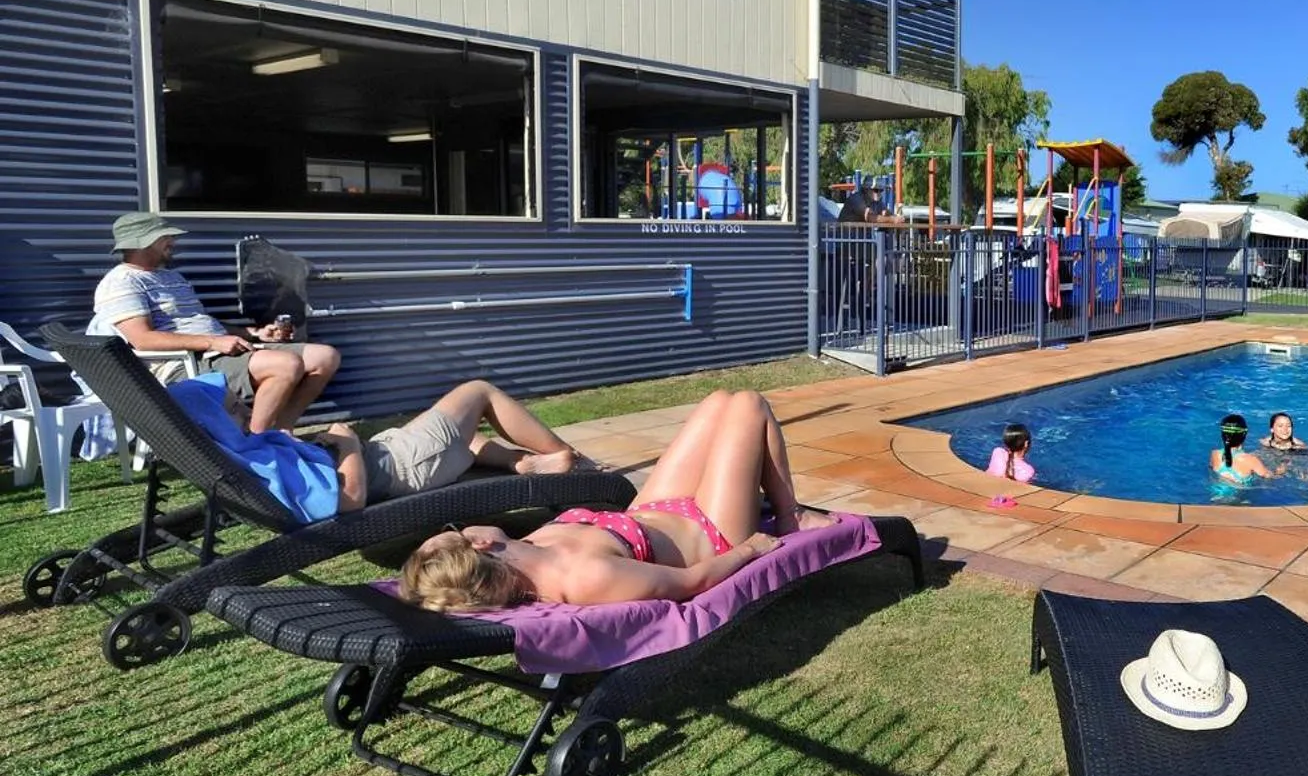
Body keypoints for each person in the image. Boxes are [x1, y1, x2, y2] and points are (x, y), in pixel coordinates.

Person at [401, 390, 837, 610]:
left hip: (652, 512)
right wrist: (751, 548)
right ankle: (790, 514)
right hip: (710, 532)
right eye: (457, 533)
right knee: (748, 404)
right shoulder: (583, 577)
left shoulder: (521, 550)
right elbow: (694, 584)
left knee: (719, 401)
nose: (464, 527)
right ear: (478, 546)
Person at [167, 373, 591, 523]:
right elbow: (350, 502)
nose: (243, 406)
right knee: (477, 392)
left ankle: (533, 464)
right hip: (400, 469)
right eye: (231, 407)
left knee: (468, 438)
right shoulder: (262, 466)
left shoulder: (237, 455)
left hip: (391, 458)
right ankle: (578, 467)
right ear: (213, 424)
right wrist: (347, 442)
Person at [92, 212, 340, 432]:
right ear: (142, 242)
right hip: (184, 363)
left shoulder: (170, 276)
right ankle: (255, 443)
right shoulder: (122, 282)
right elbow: (142, 339)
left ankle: (281, 431)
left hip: (213, 351)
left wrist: (254, 333)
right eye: (165, 237)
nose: (173, 242)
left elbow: (199, 322)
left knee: (325, 357)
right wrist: (213, 342)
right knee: (286, 364)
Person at [1210, 413, 1272, 485]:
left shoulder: (1215, 454)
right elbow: (1270, 476)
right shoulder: (1251, 460)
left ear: (1223, 435)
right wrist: (1282, 470)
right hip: (1236, 496)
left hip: (1214, 495)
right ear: (1244, 434)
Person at [836, 179, 903, 225]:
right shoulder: (856, 198)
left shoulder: (876, 201)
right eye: (876, 190)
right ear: (866, 190)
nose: (879, 192)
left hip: (862, 240)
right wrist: (892, 219)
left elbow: (885, 212)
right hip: (846, 240)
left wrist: (893, 216)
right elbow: (870, 218)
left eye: (881, 190)